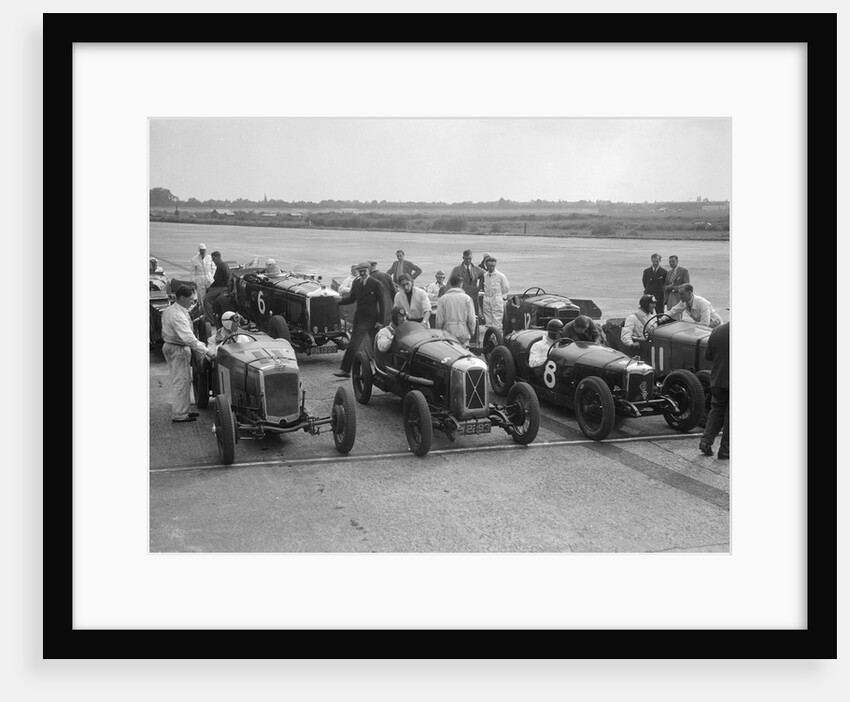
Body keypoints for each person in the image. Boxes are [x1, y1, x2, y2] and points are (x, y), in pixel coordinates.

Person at [161, 285, 215, 423]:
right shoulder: (177, 315)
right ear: (182, 298)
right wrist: (208, 352)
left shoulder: (172, 309)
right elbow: (189, 338)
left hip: (175, 346)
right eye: (191, 299)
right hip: (177, 349)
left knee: (185, 381)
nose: (193, 302)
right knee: (180, 382)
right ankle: (179, 415)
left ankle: (184, 410)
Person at [334, 261, 387, 378]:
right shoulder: (356, 282)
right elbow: (352, 298)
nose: (362, 273)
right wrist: (340, 301)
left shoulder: (376, 284)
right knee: (353, 344)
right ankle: (346, 370)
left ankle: (385, 369)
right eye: (360, 271)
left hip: (373, 320)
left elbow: (383, 304)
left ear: (369, 271)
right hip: (359, 319)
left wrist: (380, 322)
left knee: (378, 345)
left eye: (364, 271)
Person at [699, 321, 730, 459]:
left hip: (718, 378)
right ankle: (725, 449)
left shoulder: (717, 331)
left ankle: (706, 441)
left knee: (716, 410)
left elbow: (708, 355)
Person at [436, 273, 477, 347]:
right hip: (463, 331)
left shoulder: (443, 299)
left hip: (447, 331)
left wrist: (440, 331)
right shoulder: (467, 298)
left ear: (451, 284)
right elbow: (471, 319)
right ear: (461, 284)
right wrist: (471, 331)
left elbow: (439, 320)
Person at [449, 250, 485, 318]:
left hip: (474, 298)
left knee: (474, 317)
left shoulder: (476, 269)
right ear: (463, 258)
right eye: (466, 259)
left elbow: (487, 275)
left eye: (470, 259)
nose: (468, 261)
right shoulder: (457, 270)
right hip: (461, 297)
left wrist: (480, 287)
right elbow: (450, 284)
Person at [481, 256, 510, 334]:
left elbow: (506, 288)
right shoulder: (485, 275)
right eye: (489, 266)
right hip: (487, 299)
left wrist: (498, 296)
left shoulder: (500, 276)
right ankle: (489, 341)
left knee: (497, 324)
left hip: (496, 299)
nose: (491, 268)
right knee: (488, 324)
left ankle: (498, 341)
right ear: (486, 265)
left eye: (493, 266)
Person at [203, 251, 232, 326]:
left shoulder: (220, 267)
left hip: (220, 287)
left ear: (219, 257)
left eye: (214, 258)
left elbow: (217, 281)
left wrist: (210, 287)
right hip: (225, 287)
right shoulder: (225, 265)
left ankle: (210, 320)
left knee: (207, 300)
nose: (213, 260)